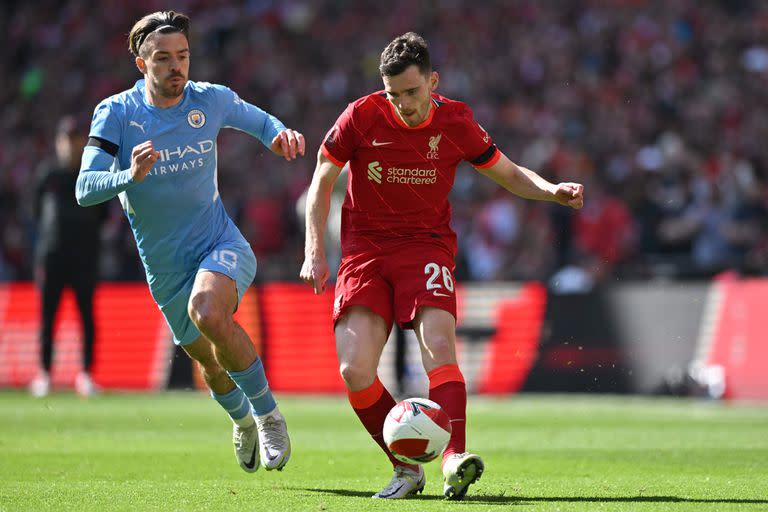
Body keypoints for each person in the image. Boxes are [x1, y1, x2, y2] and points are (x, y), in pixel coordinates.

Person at [300, 32, 584, 500]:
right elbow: (321, 180)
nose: (404, 105)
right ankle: (406, 467)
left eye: (412, 93)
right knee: (354, 370)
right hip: (364, 250)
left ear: (433, 81)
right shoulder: (361, 115)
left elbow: (509, 173)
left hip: (425, 246)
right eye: (394, 95)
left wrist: (551, 189)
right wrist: (314, 249)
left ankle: (453, 458)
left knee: (439, 346)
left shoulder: (456, 121)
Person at [76, 10, 304, 473]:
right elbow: (84, 188)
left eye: (182, 55)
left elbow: (262, 123)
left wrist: (281, 136)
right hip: (164, 268)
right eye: (162, 58)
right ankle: (241, 419)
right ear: (141, 64)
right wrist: (127, 176)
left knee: (208, 311)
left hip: (218, 242)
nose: (176, 66)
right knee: (210, 363)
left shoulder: (211, 100)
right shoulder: (116, 113)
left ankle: (268, 415)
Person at [29, 115, 109, 398]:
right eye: (66, 139)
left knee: (86, 317)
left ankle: (86, 374)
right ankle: (44, 374)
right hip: (52, 257)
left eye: (75, 139)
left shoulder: (91, 176)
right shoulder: (48, 175)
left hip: (84, 258)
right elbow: (37, 213)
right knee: (48, 317)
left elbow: (103, 216)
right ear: (58, 142)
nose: (70, 145)